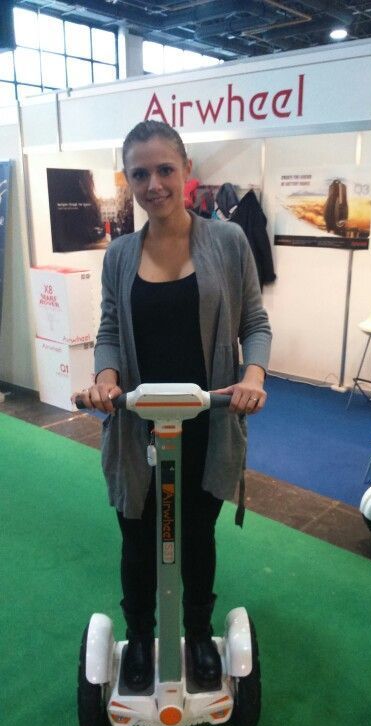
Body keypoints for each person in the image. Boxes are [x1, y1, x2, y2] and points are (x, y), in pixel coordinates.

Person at [75, 120, 272, 693]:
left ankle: (197, 632)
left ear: (186, 170)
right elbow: (110, 329)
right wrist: (105, 378)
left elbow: (254, 322)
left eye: (165, 169)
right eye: (140, 174)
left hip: (208, 422)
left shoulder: (228, 242)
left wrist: (252, 375)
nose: (154, 184)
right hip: (137, 427)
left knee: (197, 537)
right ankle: (139, 637)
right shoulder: (119, 255)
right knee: (139, 538)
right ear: (128, 180)